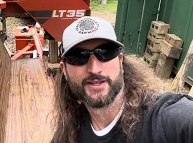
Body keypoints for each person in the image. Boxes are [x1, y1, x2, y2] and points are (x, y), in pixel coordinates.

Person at [51, 16, 193, 143]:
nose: (94, 69)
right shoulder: (70, 129)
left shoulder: (161, 120)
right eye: (78, 56)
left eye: (105, 52)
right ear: (64, 69)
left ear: (120, 60)